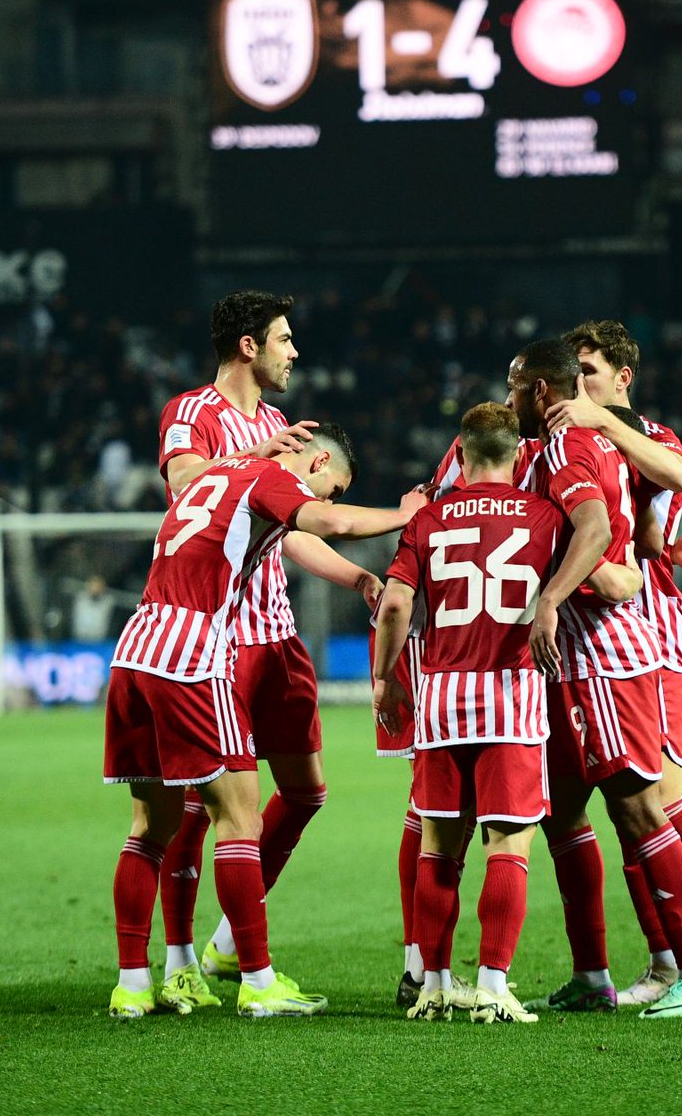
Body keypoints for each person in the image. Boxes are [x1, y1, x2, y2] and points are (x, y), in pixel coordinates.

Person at [105, 424, 427, 1018]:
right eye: (332, 486)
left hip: (137, 648)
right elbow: (331, 522)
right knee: (239, 820)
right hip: (194, 653)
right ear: (318, 462)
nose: (327, 497)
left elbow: (292, 528)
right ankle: (256, 980)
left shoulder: (222, 470)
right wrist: (404, 515)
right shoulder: (272, 476)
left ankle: (131, 986)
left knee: (149, 828)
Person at [154, 290, 385, 1011]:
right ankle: (181, 960)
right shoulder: (192, 411)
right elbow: (185, 483)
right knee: (203, 805)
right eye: (284, 339)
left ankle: (230, 940)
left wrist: (354, 576)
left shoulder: (281, 426)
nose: (294, 352)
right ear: (248, 346)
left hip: (275, 634)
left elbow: (292, 527)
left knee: (306, 791)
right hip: (216, 642)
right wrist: (251, 455)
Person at [552, 320, 682, 1008]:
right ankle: (666, 959)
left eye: (590, 371)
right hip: (593, 633)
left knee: (658, 802)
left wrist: (600, 421)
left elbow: (675, 475)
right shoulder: (570, 441)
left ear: (622, 377)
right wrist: (662, 549)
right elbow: (643, 533)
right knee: (624, 809)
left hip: (653, 631)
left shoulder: (650, 434)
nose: (578, 384)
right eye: (572, 372)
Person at [509, 339, 682, 1019]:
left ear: (540, 391)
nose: (508, 398)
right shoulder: (574, 445)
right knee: (561, 812)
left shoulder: (570, 445)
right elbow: (633, 534)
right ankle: (592, 974)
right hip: (571, 660)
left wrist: (555, 593)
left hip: (603, 654)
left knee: (639, 808)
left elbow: (596, 529)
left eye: (514, 387)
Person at [371, 403, 559, 1024]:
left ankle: (434, 984)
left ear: (460, 450)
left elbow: (395, 605)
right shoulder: (545, 516)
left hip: (443, 696)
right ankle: (493, 986)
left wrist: (384, 678)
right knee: (508, 846)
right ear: (519, 453)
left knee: (437, 849)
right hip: (512, 696)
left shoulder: (428, 518)